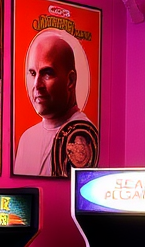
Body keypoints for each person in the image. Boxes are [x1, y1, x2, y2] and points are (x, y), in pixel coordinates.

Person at [14, 31, 98, 177]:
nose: (37, 85)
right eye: (33, 73)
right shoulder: (27, 138)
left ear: (70, 80)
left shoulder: (82, 134)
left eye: (47, 73)